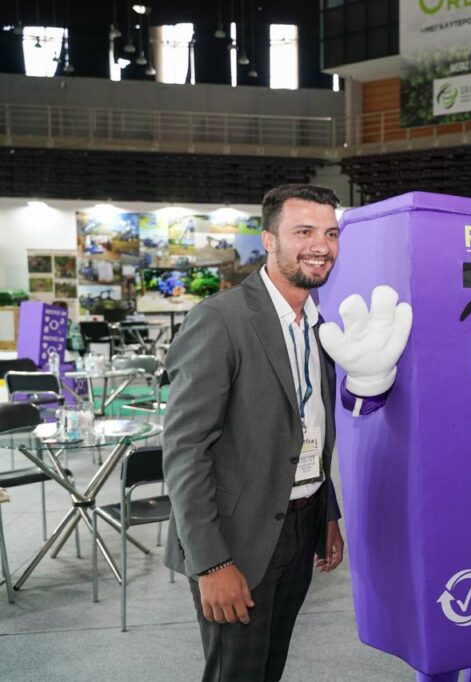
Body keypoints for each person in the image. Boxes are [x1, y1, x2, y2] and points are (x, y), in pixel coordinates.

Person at [163, 184, 347, 682]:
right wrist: (210, 563)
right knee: (237, 673)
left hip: (301, 524)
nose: (321, 246)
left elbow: (309, 427)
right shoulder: (219, 320)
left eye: (331, 233)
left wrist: (325, 510)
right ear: (269, 240)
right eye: (304, 231)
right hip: (236, 538)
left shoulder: (318, 325)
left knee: (269, 668)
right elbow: (185, 451)